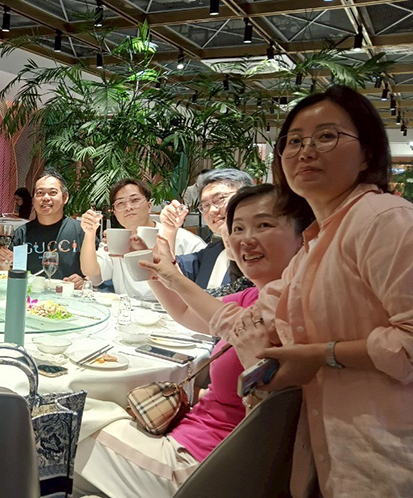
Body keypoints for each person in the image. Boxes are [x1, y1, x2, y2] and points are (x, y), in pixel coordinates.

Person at [208, 87, 411, 496]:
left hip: (388, 455)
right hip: (334, 452)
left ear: (367, 154)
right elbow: (248, 319)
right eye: (294, 141)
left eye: (326, 136)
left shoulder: (384, 219)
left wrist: (322, 355)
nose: (306, 151)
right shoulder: (314, 246)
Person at [74, 184, 311, 498]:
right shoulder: (254, 296)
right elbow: (186, 313)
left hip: (199, 467)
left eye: (264, 225)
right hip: (190, 441)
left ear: (304, 237)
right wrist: (149, 265)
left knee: (65, 421)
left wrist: (171, 274)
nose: (245, 239)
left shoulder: (293, 308)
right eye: (238, 228)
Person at [80, 179, 205, 300]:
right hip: (128, 310)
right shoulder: (116, 240)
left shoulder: (181, 238)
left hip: (173, 310)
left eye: (135, 200)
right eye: (120, 203)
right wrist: (89, 233)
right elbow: (92, 273)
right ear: (114, 212)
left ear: (149, 206)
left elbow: (208, 279)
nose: (128, 207)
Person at [0, 171, 93, 289]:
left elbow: (97, 273)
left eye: (53, 193)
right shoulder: (21, 233)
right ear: (33, 199)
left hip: (70, 296)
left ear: (65, 197)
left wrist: (84, 281)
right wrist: (4, 263)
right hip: (30, 297)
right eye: (40, 193)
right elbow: (8, 273)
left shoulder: (82, 232)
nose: (46, 198)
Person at [161, 169, 254, 291]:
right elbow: (165, 271)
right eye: (205, 205)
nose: (212, 211)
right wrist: (169, 229)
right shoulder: (211, 253)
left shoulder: (261, 252)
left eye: (220, 199)